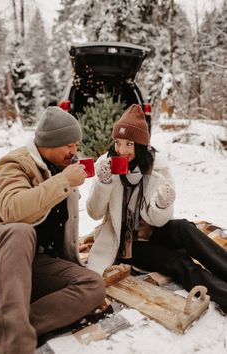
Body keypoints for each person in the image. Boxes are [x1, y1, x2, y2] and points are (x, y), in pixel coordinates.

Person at [86, 104, 227, 314]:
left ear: (141, 145)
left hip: (152, 230)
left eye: (129, 144)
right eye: (117, 143)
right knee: (179, 262)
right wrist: (103, 183)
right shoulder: (105, 165)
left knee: (183, 228)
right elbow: (94, 212)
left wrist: (161, 204)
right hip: (126, 243)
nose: (121, 150)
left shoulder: (157, 168)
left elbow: (158, 220)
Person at [0, 106, 105, 354]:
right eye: (69, 145)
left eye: (76, 144)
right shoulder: (13, 164)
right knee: (20, 232)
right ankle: (15, 346)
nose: (74, 151)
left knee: (93, 285)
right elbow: (13, 212)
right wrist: (64, 181)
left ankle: (9, 328)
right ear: (48, 143)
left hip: (35, 261)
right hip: (0, 254)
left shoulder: (60, 168)